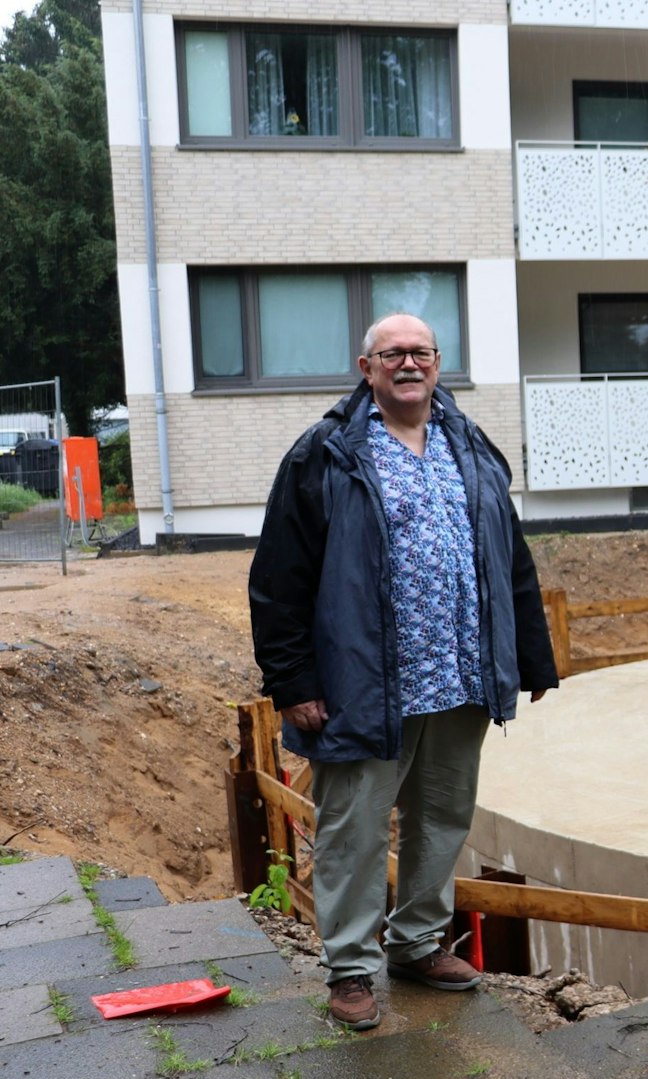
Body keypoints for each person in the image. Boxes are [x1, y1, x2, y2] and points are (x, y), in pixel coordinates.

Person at [249, 312, 558, 1030]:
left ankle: (417, 942)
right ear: (368, 369)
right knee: (353, 829)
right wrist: (293, 681)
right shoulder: (325, 454)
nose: (409, 363)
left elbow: (510, 558)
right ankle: (351, 968)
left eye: (421, 351)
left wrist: (531, 656)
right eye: (393, 354)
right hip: (365, 682)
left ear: (438, 362)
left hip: (459, 675)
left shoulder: (470, 445)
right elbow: (278, 581)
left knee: (443, 815)